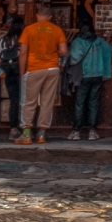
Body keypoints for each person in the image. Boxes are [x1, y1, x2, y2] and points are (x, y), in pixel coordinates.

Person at [17, 9, 67, 145]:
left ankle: (26, 135)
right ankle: (41, 135)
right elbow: (63, 51)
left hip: (34, 68)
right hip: (52, 69)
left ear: (37, 15)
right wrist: (53, 50)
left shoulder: (29, 29)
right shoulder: (56, 30)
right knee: (47, 102)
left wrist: (22, 71)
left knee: (28, 102)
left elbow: (22, 53)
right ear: (50, 17)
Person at [67, 21, 112, 141]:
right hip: (97, 74)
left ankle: (76, 131)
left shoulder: (78, 41)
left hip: (84, 75)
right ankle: (92, 132)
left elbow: (75, 58)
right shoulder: (98, 41)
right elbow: (110, 50)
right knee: (93, 103)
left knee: (80, 103)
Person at [0, 13, 24, 141]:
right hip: (23, 73)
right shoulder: (25, 39)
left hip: (10, 73)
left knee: (13, 100)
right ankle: (26, 129)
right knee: (27, 101)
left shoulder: (3, 40)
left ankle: (13, 129)